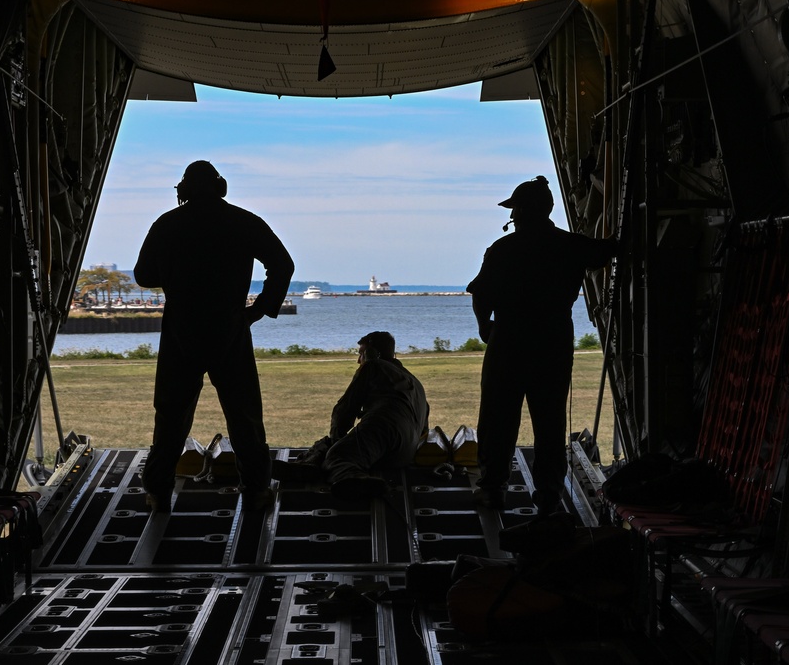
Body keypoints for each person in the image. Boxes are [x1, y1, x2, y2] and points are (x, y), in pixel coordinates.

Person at [133, 160, 294, 514]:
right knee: (244, 416)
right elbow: (283, 264)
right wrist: (259, 310)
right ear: (220, 186)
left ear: (184, 190)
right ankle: (256, 490)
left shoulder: (167, 224)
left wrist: (176, 271)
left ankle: (158, 491)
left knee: (171, 416)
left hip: (181, 331)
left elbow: (144, 275)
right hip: (230, 328)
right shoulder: (243, 221)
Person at [468, 175, 615, 514]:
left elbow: (482, 295)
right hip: (553, 343)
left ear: (519, 212)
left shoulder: (502, 249)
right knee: (549, 422)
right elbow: (608, 250)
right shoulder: (571, 246)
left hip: (508, 341)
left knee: (498, 418)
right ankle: (548, 494)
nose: (513, 216)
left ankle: (492, 489)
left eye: (515, 209)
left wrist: (483, 327)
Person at [273, 331, 430, 499]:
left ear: (372, 354)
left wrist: (336, 441)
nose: (358, 360)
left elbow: (344, 410)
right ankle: (307, 466)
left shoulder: (373, 366)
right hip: (403, 452)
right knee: (329, 444)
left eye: (361, 354)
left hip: (383, 427)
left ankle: (353, 480)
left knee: (338, 456)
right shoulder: (415, 383)